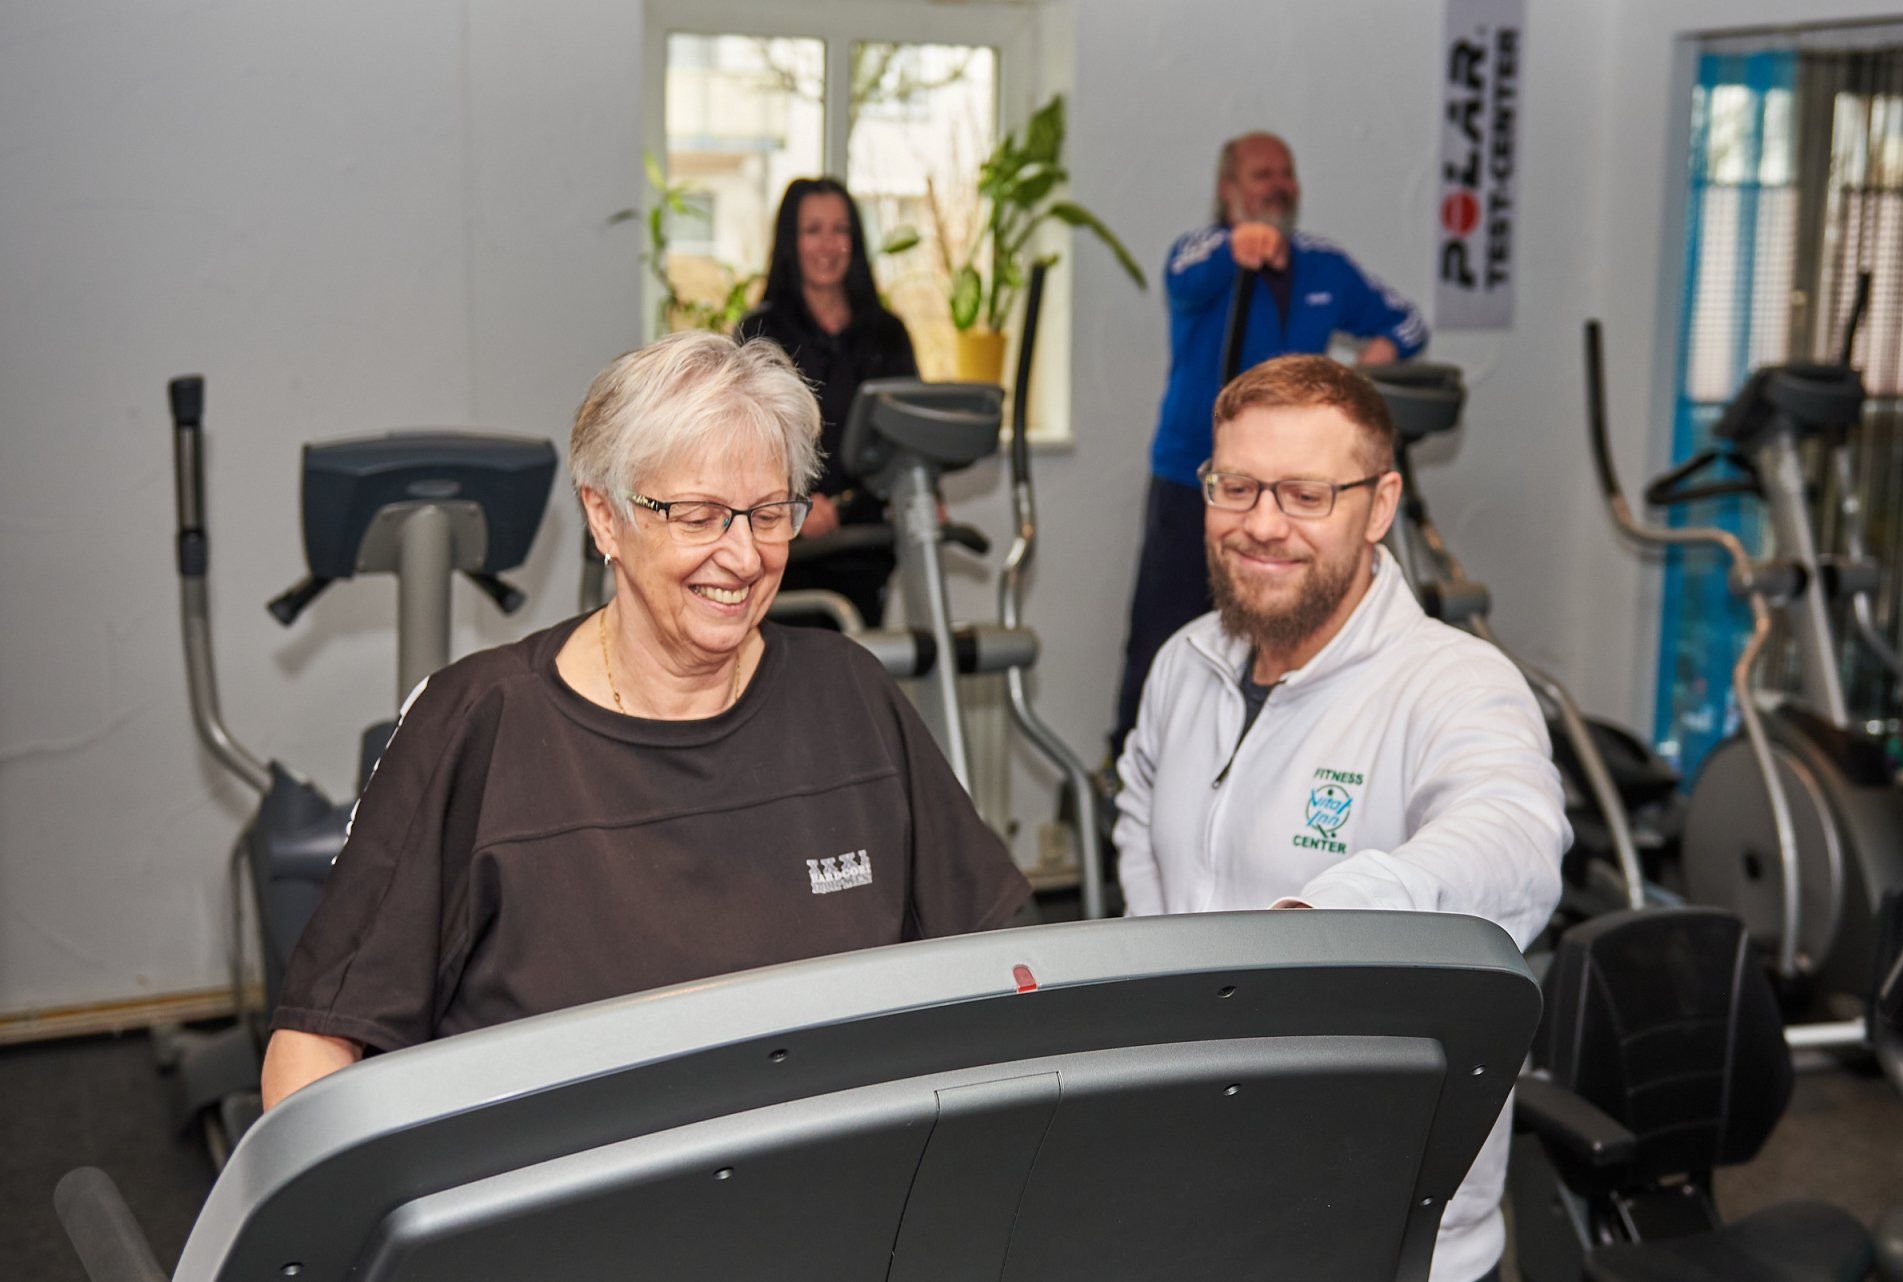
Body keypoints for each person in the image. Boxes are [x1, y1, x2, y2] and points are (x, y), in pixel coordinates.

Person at [261, 332, 1030, 1110]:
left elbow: (1004, 966)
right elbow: (317, 1048)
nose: (743, 556)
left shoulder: (852, 697)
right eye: (699, 516)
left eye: (769, 514)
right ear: (605, 517)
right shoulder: (476, 726)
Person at [1114, 356, 1568, 1282]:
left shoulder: (1455, 684)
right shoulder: (1185, 664)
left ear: (1381, 502)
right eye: (1235, 486)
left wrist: (1321, 929)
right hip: (1195, 1198)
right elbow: (1138, 808)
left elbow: (1513, 842)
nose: (1262, 524)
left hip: (1380, 1232)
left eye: (1306, 494)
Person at [1110, 131, 1428, 760]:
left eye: (1286, 173)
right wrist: (1236, 247)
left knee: (1287, 622)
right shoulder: (1201, 254)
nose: (1277, 185)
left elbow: (1407, 322)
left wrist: (1373, 363)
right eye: (1260, 175)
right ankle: (1128, 766)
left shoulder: (1324, 264)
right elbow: (1184, 270)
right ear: (1229, 190)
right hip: (1193, 481)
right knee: (1162, 633)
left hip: (1297, 490)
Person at [736, 176, 918, 627]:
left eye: (840, 230)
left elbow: (909, 432)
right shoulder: (760, 333)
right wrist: (794, 504)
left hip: (865, 540)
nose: (828, 244)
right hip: (789, 546)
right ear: (790, 242)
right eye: (813, 230)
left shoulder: (887, 333)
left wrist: (919, 487)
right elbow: (744, 444)